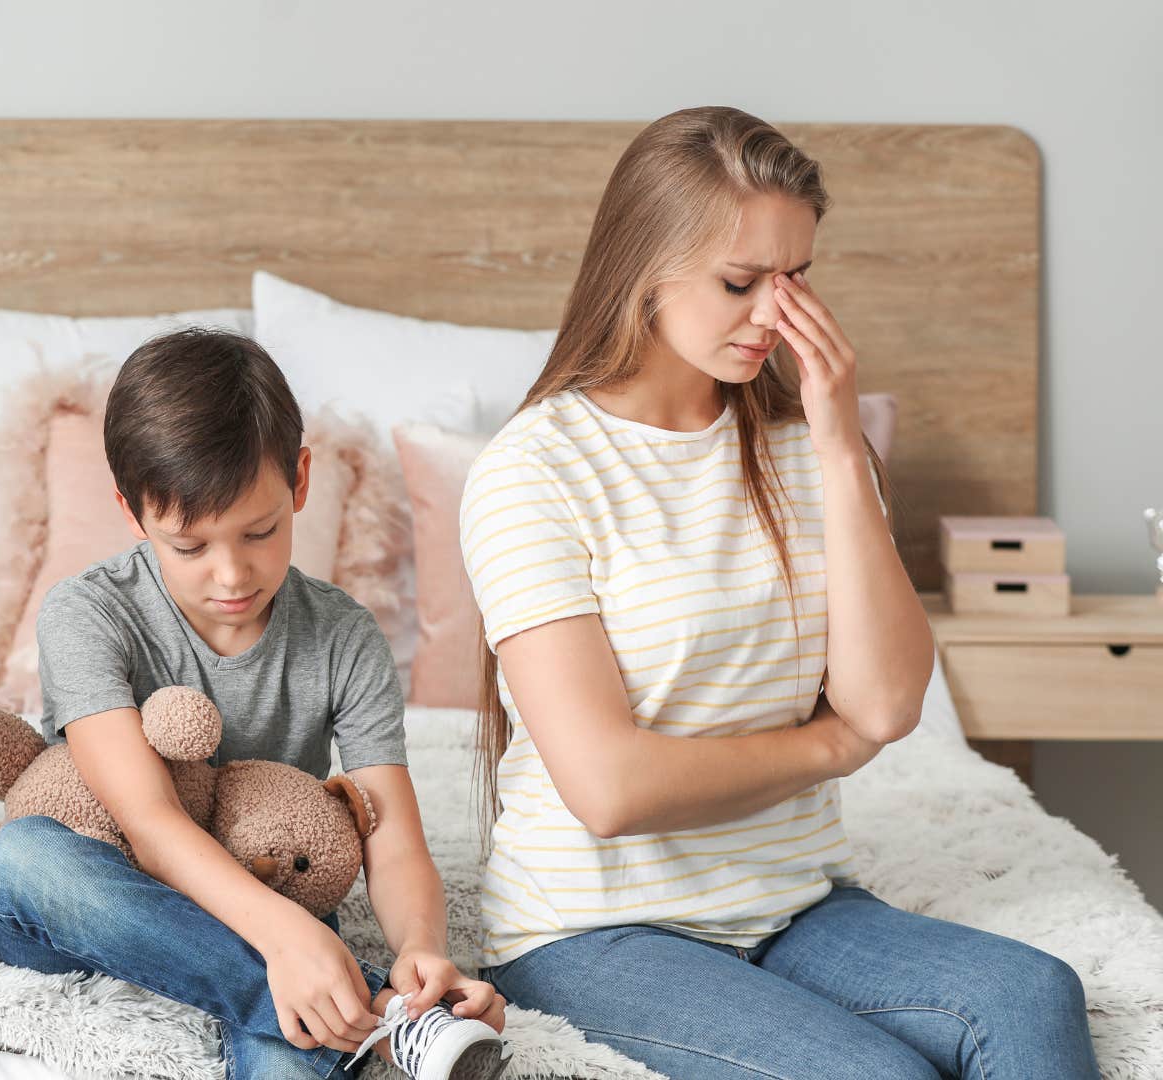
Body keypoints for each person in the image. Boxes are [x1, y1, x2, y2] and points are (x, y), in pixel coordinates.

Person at [463, 105, 1098, 1078]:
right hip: (594, 930)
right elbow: (609, 788)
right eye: (740, 281)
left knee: (1031, 993)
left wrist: (840, 440)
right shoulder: (534, 471)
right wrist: (829, 746)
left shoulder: (813, 453)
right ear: (645, 268)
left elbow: (885, 702)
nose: (776, 312)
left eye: (797, 275)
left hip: (790, 901)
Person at [0, 329, 511, 1080]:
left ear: (300, 480)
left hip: (273, 899)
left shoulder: (342, 636)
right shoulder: (87, 614)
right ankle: (380, 1021)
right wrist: (287, 939)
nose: (231, 574)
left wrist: (422, 951)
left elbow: (389, 829)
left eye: (260, 532)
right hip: (106, 903)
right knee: (22, 858)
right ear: (131, 512)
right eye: (190, 547)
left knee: (300, 1021)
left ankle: (349, 1006)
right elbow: (149, 822)